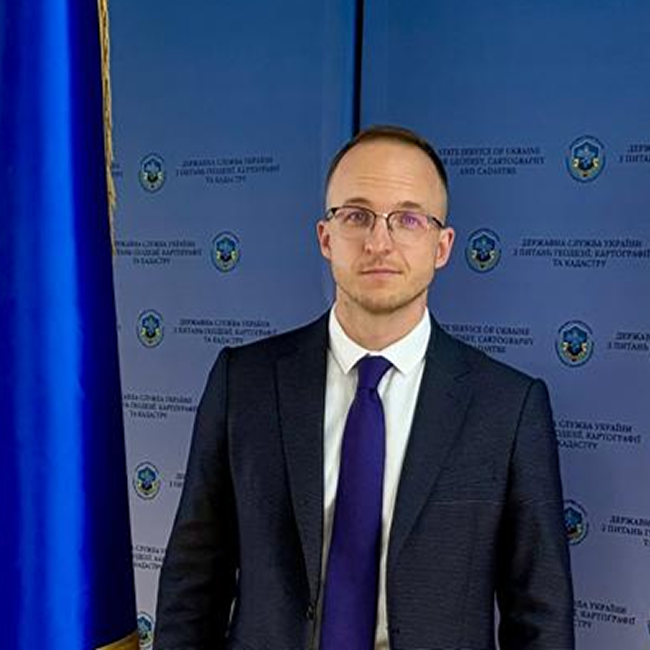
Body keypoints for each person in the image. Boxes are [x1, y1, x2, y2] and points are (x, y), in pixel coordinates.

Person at [154, 125, 574, 650]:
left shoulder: (508, 408)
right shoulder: (243, 383)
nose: (379, 241)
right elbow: (192, 586)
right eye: (356, 215)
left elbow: (540, 615)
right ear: (325, 237)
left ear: (442, 246)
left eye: (408, 219)